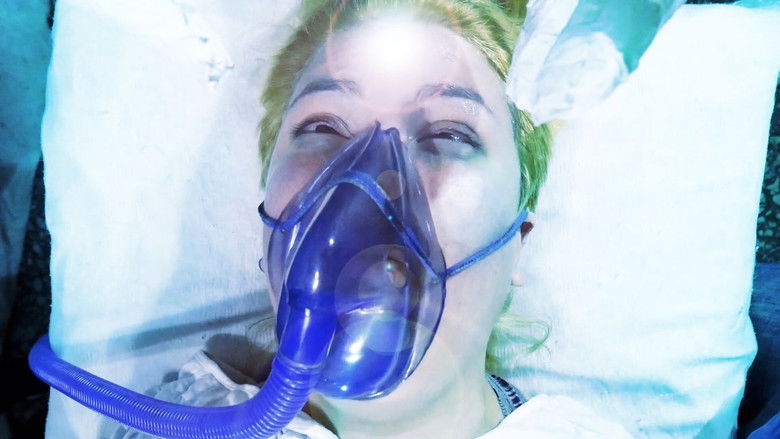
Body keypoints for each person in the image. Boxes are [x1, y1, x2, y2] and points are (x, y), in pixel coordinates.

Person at [107, 1, 630, 437]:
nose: (372, 181)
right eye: (325, 127)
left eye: (447, 134)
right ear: (268, 219)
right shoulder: (179, 422)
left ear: (520, 241)